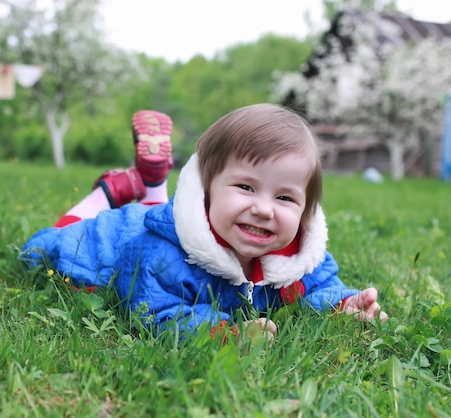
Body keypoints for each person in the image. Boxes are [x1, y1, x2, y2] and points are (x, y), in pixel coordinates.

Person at [20, 104, 388, 339]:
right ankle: (108, 192)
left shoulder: (297, 256)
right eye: (245, 187)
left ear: (306, 211)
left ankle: (150, 186)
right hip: (105, 239)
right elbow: (156, 310)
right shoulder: (161, 256)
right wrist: (222, 333)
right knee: (44, 244)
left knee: (152, 212)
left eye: (284, 197)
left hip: (154, 221)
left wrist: (343, 304)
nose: (264, 209)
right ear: (206, 191)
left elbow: (321, 283)